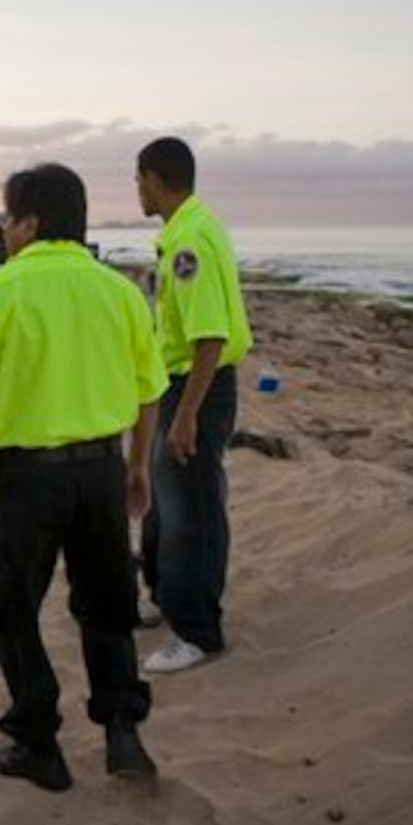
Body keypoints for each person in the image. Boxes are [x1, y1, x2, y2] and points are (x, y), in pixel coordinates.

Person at [0, 163, 166, 792]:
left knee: (10, 608)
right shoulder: (122, 293)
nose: (4, 230)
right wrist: (138, 465)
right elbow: (148, 393)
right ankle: (121, 728)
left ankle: (37, 741)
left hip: (25, 482)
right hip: (101, 472)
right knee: (108, 604)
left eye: (7, 218)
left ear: (30, 222)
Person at [136, 137, 253, 674]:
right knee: (166, 501)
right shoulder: (188, 226)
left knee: (194, 510)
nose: (137, 190)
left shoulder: (190, 241)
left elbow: (209, 335)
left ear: (153, 179)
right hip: (176, 384)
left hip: (197, 389)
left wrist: (186, 416)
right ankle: (162, 597)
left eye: (138, 180)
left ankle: (199, 633)